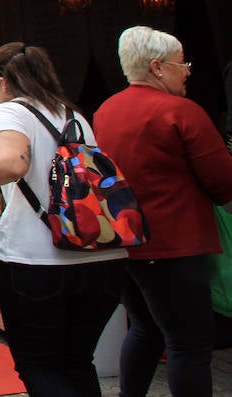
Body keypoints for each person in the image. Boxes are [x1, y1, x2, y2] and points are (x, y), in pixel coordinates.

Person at [0, 42, 126, 397]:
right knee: (77, 362)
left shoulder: (9, 111)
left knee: (39, 364)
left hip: (37, 262)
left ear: (4, 81)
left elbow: (15, 164)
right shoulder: (72, 115)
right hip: (101, 257)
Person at [94, 26, 232, 397]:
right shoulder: (179, 111)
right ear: (157, 67)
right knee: (189, 344)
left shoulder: (106, 110)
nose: (187, 71)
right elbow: (223, 181)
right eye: (180, 63)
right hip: (173, 245)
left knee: (145, 328)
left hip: (124, 242)